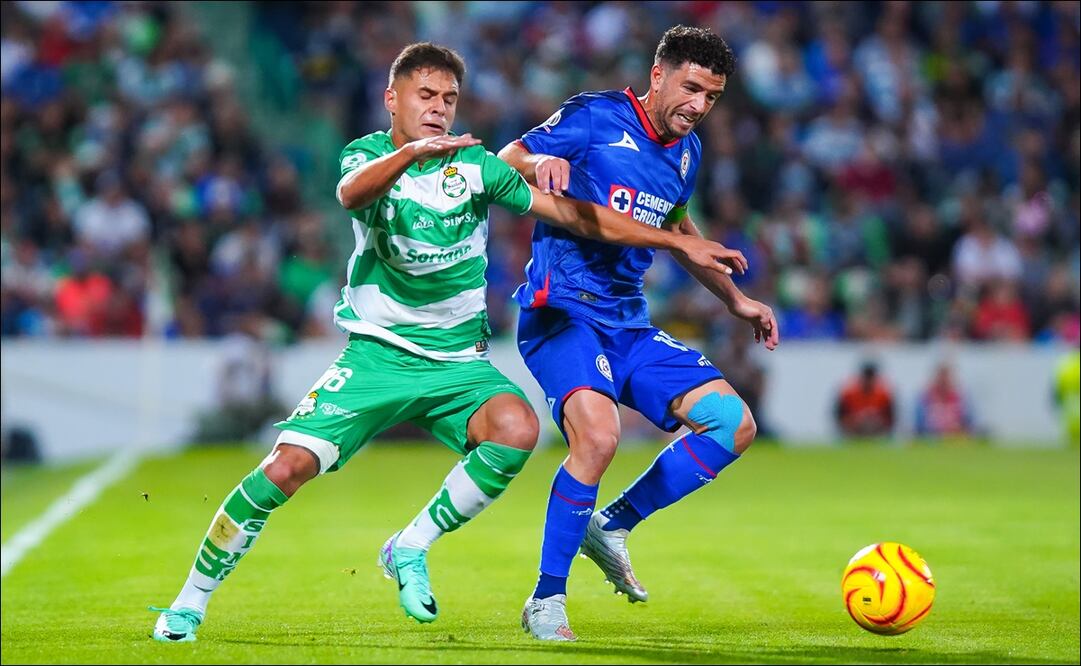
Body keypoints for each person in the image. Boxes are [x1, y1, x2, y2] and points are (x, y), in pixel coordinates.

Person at [150, 41, 743, 643]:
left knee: (517, 429)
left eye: (449, 99)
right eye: (425, 96)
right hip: (379, 355)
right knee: (287, 467)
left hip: (460, 362)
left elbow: (573, 216)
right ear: (393, 99)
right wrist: (414, 154)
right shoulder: (369, 156)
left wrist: (656, 232)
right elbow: (350, 194)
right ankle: (189, 601)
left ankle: (411, 545)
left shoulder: (476, 168)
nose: (438, 108)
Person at [498, 26, 779, 642]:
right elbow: (506, 160)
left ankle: (614, 523)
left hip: (626, 323)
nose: (699, 105)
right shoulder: (594, 117)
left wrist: (735, 299)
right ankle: (546, 600)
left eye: (712, 95)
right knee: (599, 437)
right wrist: (541, 159)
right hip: (562, 312)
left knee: (735, 425)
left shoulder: (688, 152)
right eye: (691, 87)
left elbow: (680, 230)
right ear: (659, 75)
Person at [834, 360, 895, 438]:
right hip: (853, 428)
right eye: (866, 378)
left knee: (872, 422)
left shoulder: (884, 394)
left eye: (870, 378)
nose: (868, 381)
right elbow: (839, 416)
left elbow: (890, 418)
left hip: (876, 428)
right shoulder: (848, 393)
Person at [914, 363, 974, 438]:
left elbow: (967, 421)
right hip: (931, 437)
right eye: (941, 377)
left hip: (954, 436)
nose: (943, 380)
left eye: (946, 377)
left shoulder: (959, 398)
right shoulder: (926, 397)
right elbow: (919, 424)